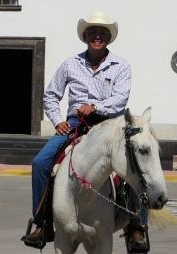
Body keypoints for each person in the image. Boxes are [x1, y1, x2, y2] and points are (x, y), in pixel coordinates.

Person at [20, 11, 150, 252]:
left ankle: (136, 224)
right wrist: (58, 120)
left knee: (134, 163)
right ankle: (42, 222)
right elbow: (51, 94)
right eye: (92, 32)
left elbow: (120, 99)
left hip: (109, 125)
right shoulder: (71, 63)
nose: (97, 36)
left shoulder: (121, 66)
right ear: (85, 36)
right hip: (75, 124)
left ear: (109, 37)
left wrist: (96, 107)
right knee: (41, 163)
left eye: (101, 33)